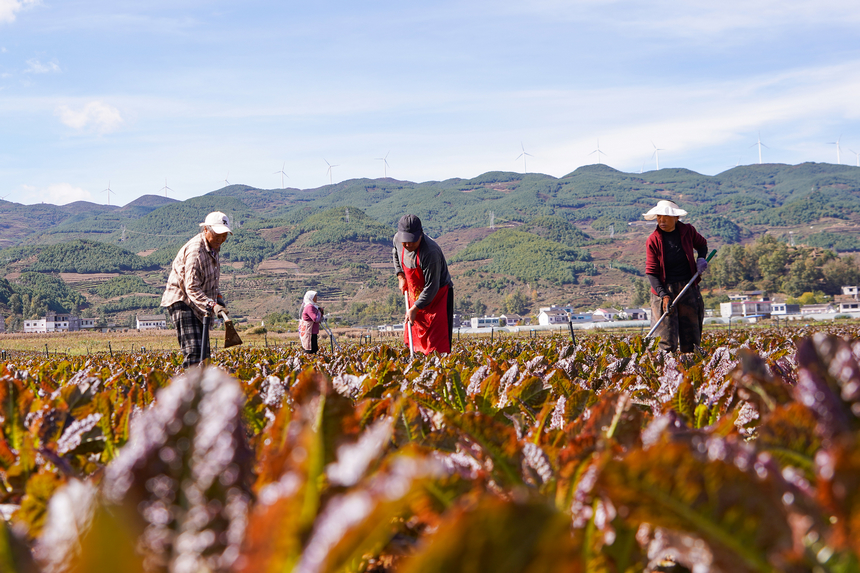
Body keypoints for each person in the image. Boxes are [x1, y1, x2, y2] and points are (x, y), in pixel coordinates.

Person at [161, 211, 232, 368]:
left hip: (199, 302)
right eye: (218, 234)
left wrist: (218, 297)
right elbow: (191, 288)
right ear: (206, 229)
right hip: (183, 300)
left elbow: (210, 280)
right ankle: (190, 389)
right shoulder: (196, 251)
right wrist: (213, 305)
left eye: (224, 235)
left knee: (204, 355)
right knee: (194, 351)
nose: (221, 239)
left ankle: (202, 386)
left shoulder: (214, 248)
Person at [643, 200, 709, 353]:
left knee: (691, 338)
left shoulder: (688, 231)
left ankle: (691, 371)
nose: (662, 220)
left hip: (688, 287)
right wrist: (664, 295)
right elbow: (651, 272)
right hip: (663, 290)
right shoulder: (653, 240)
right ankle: (665, 372)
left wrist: (701, 258)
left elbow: (702, 244)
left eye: (666, 216)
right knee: (666, 340)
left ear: (676, 218)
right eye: (659, 217)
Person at [392, 214, 454, 354]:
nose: (408, 245)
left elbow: (432, 286)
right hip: (415, 295)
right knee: (415, 343)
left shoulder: (430, 252)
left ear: (420, 234)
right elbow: (395, 253)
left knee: (436, 346)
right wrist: (400, 275)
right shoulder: (398, 240)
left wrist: (415, 308)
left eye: (412, 241)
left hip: (437, 298)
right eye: (405, 241)